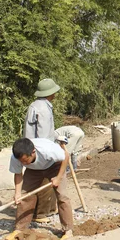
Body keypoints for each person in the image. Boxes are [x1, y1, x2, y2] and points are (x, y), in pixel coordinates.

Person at [23, 78, 85, 223]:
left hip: (32, 147)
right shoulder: (44, 109)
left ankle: (45, 210)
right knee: (45, 181)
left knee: (38, 181)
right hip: (40, 150)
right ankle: (41, 213)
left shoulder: (35, 105)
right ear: (50, 93)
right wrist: (52, 148)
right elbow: (44, 136)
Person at [6, 138, 74, 240]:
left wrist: (58, 177)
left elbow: (66, 156)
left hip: (54, 166)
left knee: (62, 196)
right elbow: (18, 173)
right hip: (34, 170)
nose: (22, 163)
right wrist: (17, 193)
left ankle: (68, 230)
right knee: (24, 197)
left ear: (33, 152)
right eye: (21, 161)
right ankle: (19, 229)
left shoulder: (48, 149)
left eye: (24, 160)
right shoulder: (16, 157)